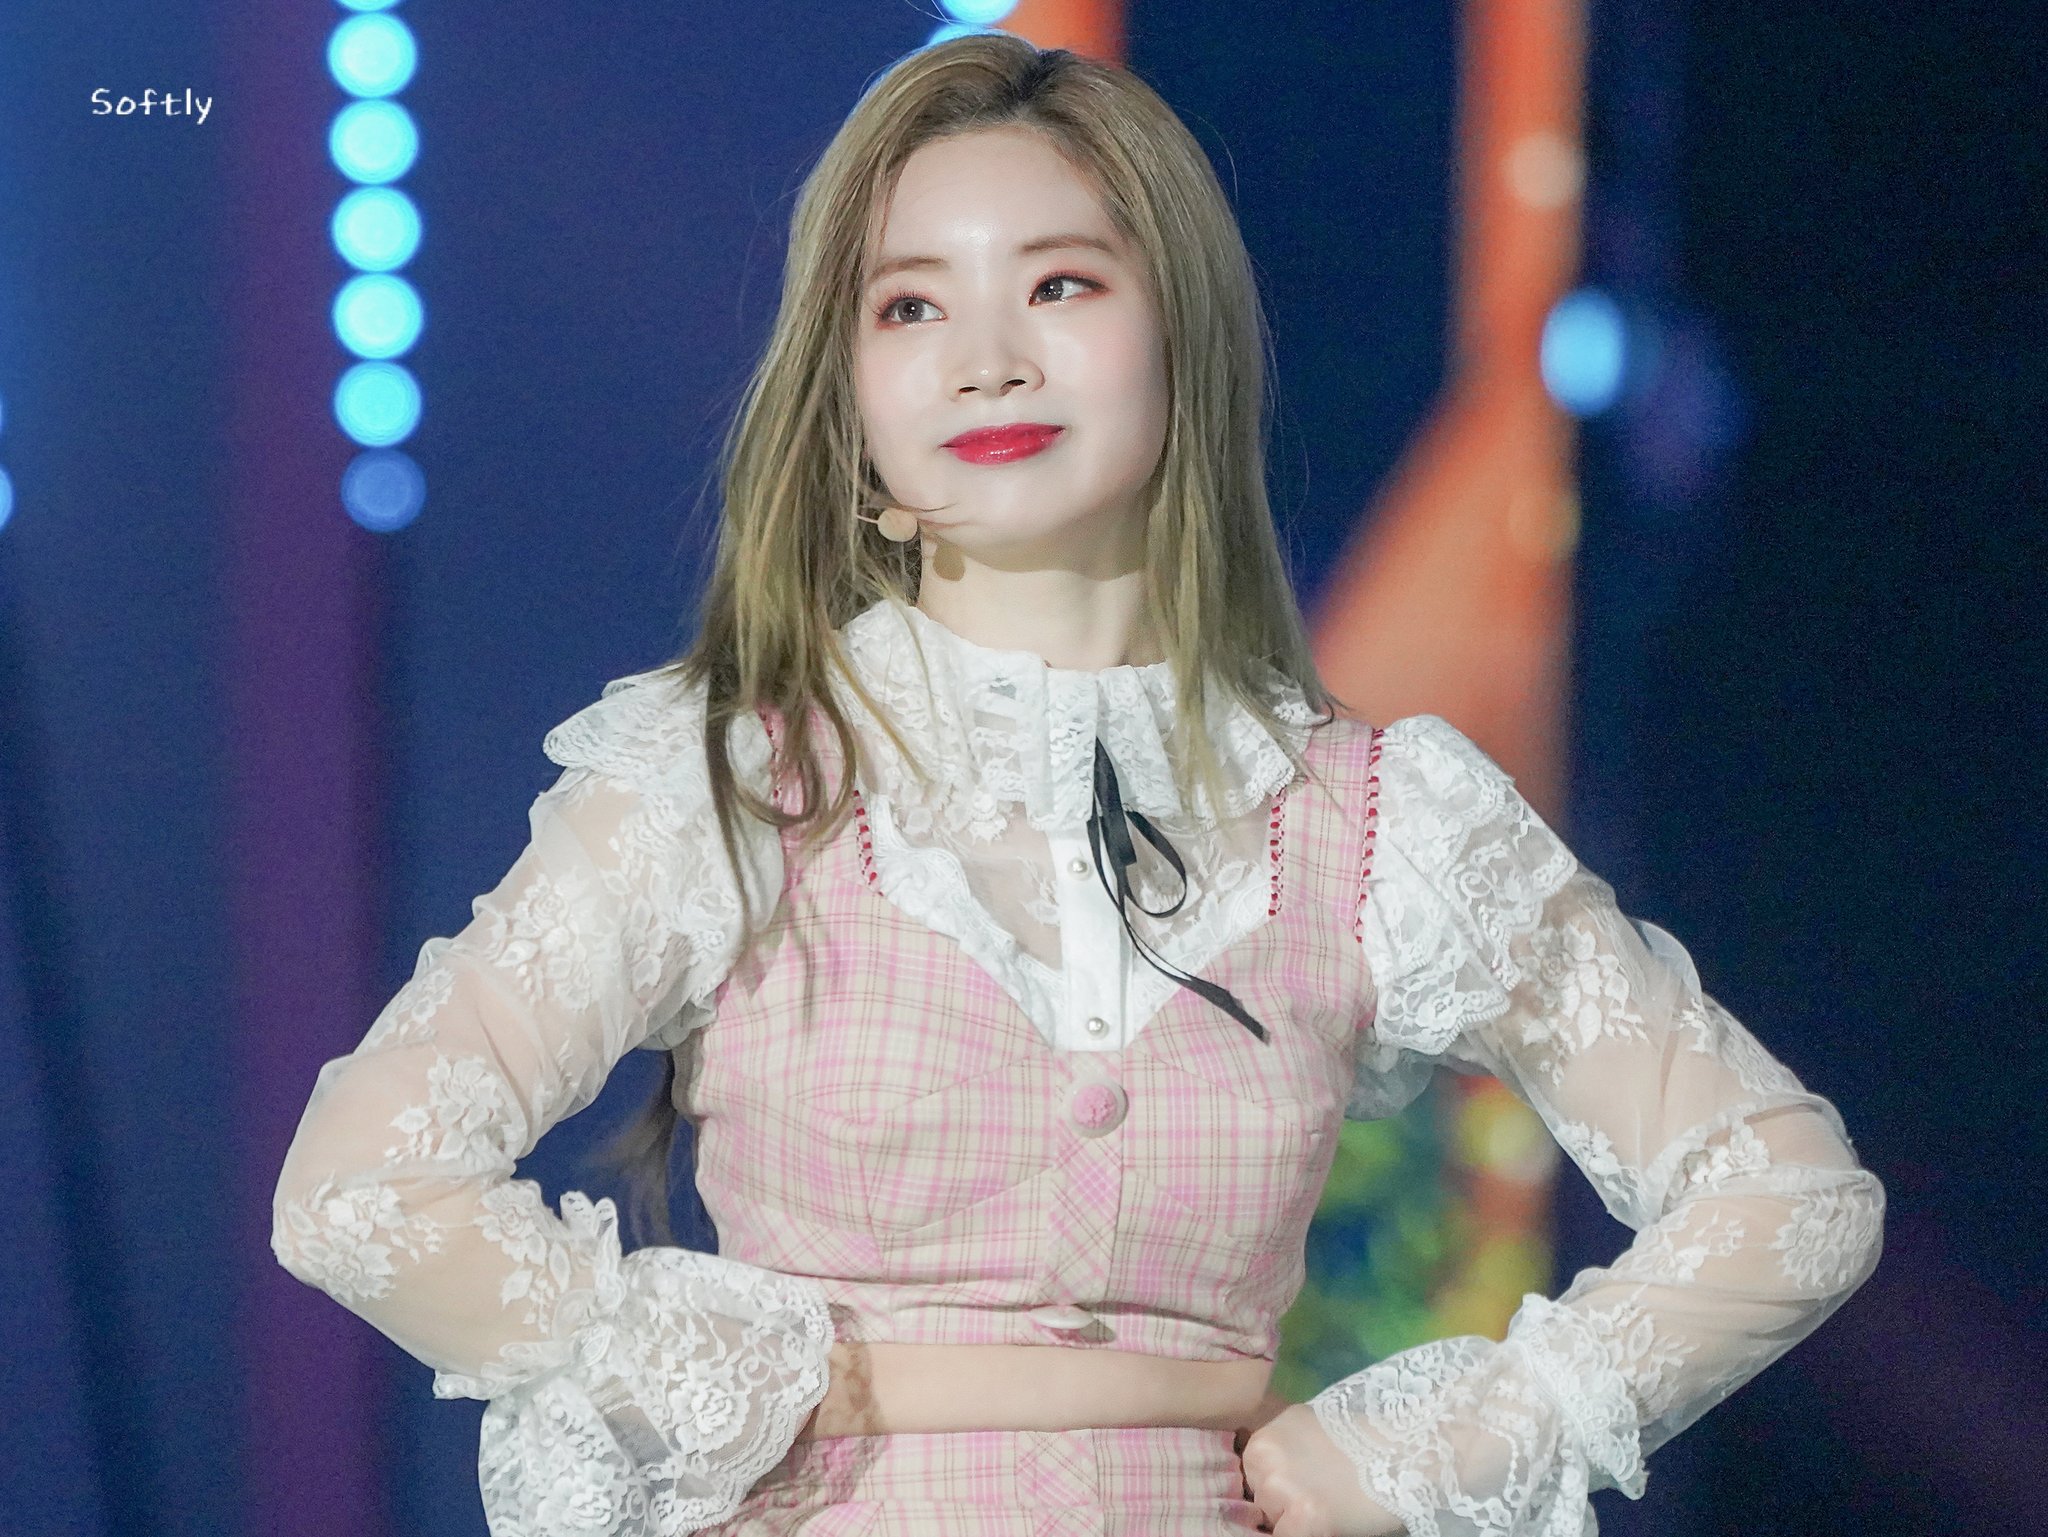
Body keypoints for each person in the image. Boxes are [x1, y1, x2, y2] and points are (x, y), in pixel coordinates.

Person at [268, 33, 1886, 1537]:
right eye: (911, 308)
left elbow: (1790, 1194)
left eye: (1058, 284)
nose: (988, 360)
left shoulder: (1369, 819)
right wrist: (711, 1382)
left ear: (1177, 335)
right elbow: (358, 1183)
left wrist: (1447, 1440)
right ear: (850, 396)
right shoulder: (735, 783)